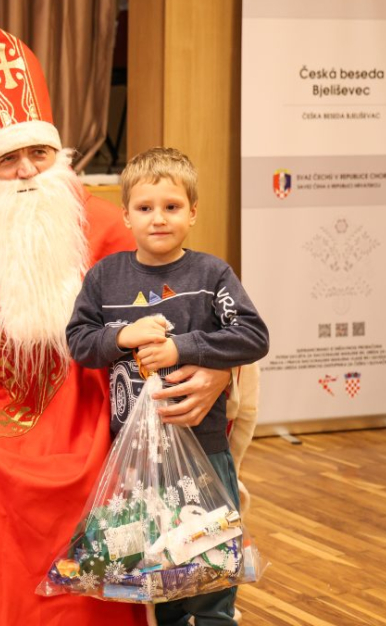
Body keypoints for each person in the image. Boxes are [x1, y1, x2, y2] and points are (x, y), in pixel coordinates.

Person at [0, 27, 229, 626]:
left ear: (58, 154)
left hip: (101, 407)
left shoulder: (112, 228)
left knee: (98, 473)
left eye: (37, 155)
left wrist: (213, 368)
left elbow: (194, 308)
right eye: (7, 158)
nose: (25, 171)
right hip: (5, 404)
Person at [65, 147, 270, 626]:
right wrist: (122, 336)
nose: (159, 218)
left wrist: (184, 348)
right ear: (126, 216)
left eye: (172, 207)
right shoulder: (104, 278)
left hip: (204, 450)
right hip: (137, 462)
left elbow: (253, 335)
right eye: (145, 208)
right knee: (162, 578)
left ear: (193, 213)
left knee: (211, 574)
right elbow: (78, 342)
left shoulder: (211, 274)